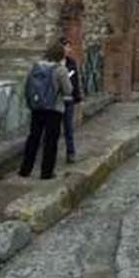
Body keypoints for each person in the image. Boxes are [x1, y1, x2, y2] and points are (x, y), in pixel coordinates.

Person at [18, 41, 72, 179]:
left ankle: (25, 170)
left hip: (37, 107)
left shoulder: (36, 67)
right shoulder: (60, 70)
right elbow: (68, 89)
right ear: (60, 55)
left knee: (33, 138)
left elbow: (27, 86)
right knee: (50, 141)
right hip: (54, 108)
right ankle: (46, 172)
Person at [61, 39, 83, 163]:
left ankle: (71, 152)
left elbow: (75, 82)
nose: (67, 50)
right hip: (56, 101)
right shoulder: (54, 64)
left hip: (68, 100)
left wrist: (78, 98)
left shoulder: (71, 63)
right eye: (65, 47)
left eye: (69, 47)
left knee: (68, 127)